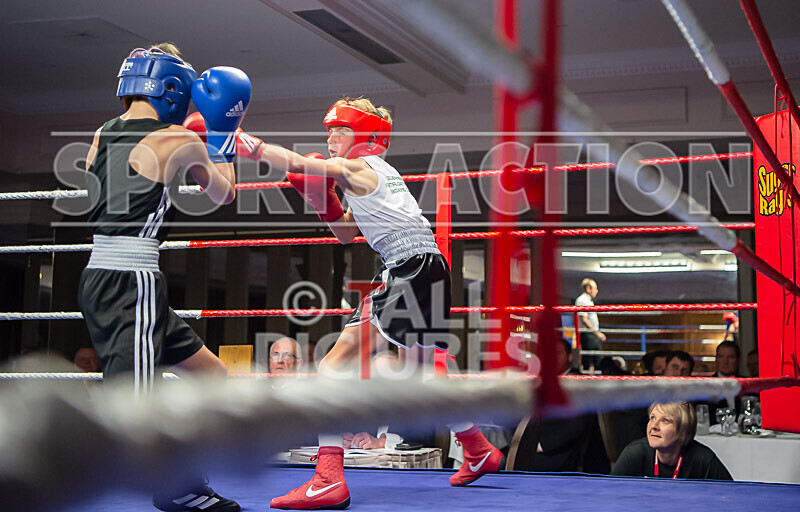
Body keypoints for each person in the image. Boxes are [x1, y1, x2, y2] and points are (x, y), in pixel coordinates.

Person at [185, 97, 504, 509]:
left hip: (410, 268)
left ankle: (328, 477)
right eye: (329, 130)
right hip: (424, 268)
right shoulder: (377, 173)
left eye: (341, 130)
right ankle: (476, 448)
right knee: (427, 372)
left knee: (332, 366)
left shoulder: (359, 167)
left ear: (367, 138)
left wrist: (240, 141)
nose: (332, 137)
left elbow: (300, 164)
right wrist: (323, 200)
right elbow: (345, 233)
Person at [78, 44, 251, 512]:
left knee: (211, 374)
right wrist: (223, 130)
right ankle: (61, 466)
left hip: (110, 275)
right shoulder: (179, 139)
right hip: (129, 280)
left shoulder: (101, 131)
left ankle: (186, 480)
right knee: (134, 408)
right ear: (173, 87)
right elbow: (223, 194)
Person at [612, 402, 732, 480]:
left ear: (683, 430)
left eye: (665, 420)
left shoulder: (703, 459)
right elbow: (608, 496)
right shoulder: (634, 453)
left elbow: (733, 497)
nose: (654, 426)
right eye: (652, 418)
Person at [575, 278, 605, 373]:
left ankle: (597, 381)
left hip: (591, 334)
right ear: (588, 289)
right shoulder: (582, 300)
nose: (597, 291)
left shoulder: (588, 300)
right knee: (590, 360)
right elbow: (584, 319)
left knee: (597, 360)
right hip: (588, 334)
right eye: (595, 288)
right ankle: (588, 384)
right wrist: (597, 333)